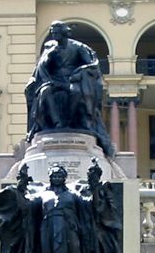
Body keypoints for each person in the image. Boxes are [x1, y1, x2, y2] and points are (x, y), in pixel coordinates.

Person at [25, 20, 113, 156]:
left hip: (73, 80)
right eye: (52, 33)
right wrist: (49, 57)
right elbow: (41, 68)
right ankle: (58, 123)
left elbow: (92, 65)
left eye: (57, 33)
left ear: (64, 33)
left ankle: (70, 122)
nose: (54, 36)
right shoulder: (49, 47)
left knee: (76, 91)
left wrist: (79, 73)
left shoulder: (78, 47)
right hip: (54, 80)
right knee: (45, 91)